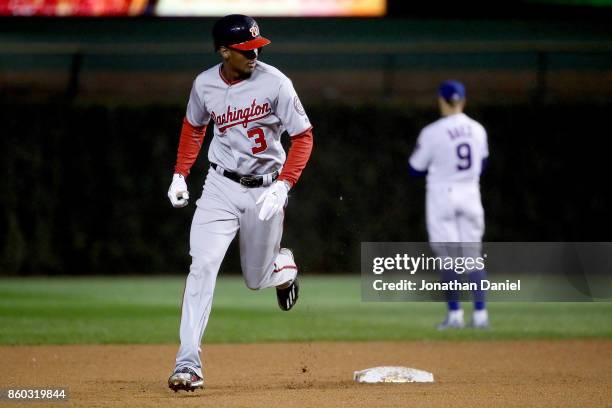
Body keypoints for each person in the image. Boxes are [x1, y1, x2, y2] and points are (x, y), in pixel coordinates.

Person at [166, 14, 314, 392]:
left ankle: (284, 267)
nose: (254, 54)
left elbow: (304, 137)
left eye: (256, 47)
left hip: (265, 191)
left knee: (256, 279)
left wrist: (284, 185)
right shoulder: (204, 84)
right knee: (202, 265)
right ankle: (188, 364)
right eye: (245, 50)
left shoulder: (276, 82)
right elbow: (194, 126)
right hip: (219, 187)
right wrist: (181, 173)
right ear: (223, 51)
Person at [408, 80, 489, 330]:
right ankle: (480, 315)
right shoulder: (478, 129)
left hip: (442, 193)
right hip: (470, 192)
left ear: (442, 101)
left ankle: (454, 316)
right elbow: (483, 163)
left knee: (448, 259)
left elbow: (415, 168)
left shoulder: (433, 131)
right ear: (463, 101)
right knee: (473, 256)